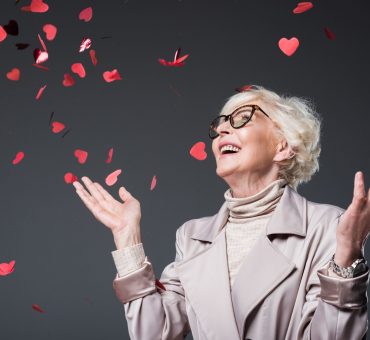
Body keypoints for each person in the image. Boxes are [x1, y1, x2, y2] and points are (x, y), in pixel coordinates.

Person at [72, 85, 370, 340]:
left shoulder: (328, 226)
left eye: (243, 119)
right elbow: (156, 333)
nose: (223, 129)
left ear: (283, 147)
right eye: (220, 125)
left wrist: (346, 259)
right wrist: (128, 241)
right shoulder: (192, 237)